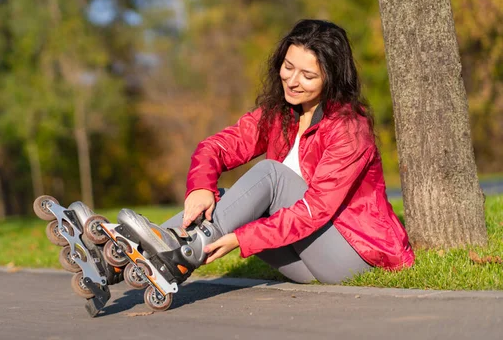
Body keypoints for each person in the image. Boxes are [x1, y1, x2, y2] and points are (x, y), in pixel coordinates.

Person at [117, 19, 415, 285]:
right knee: (226, 198)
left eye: (308, 76)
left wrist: (241, 238)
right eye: (288, 67)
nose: (293, 81)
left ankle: (179, 250)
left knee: (270, 174)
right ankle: (121, 255)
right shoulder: (281, 113)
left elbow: (315, 211)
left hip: (353, 256)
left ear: (331, 79)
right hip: (304, 260)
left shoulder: (348, 128)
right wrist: (200, 187)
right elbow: (217, 146)